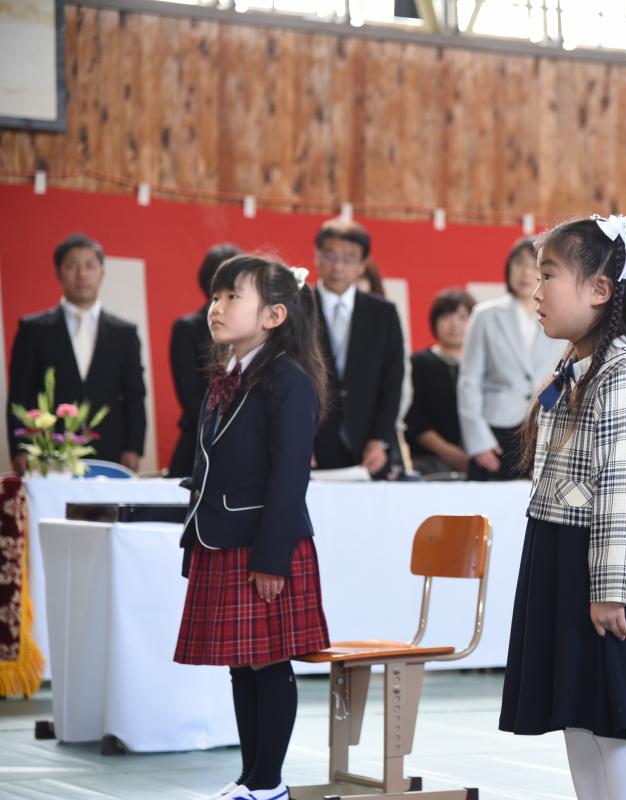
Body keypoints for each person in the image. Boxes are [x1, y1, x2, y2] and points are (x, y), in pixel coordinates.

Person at [499, 215, 626, 800]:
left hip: (610, 568)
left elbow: (623, 489)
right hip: (565, 552)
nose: (536, 291)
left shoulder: (622, 372)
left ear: (600, 290)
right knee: (578, 715)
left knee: (614, 723)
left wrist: (611, 589)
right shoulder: (577, 363)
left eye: (549, 276)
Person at [174, 255, 331, 800]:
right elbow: (207, 467)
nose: (216, 308)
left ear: (273, 315)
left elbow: (289, 478)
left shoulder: (287, 380)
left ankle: (269, 782)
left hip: (265, 544)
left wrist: (272, 558)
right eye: (214, 297)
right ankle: (250, 776)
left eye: (231, 297)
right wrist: (193, 539)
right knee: (240, 664)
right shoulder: (228, 376)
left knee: (267, 660)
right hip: (223, 538)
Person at [7, 233, 147, 472]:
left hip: (110, 450)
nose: (82, 274)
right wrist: (20, 448)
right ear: (58, 273)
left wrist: (133, 447)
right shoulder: (33, 329)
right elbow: (20, 393)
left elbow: (134, 394)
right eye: (72, 265)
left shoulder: (124, 332)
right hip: (48, 451)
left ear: (102, 273)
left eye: (90, 266)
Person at [458, 238, 562, 480]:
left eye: (534, 266)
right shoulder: (485, 315)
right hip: (495, 432)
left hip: (543, 428)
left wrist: (551, 432)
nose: (525, 272)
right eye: (519, 263)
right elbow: (469, 381)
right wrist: (478, 441)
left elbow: (563, 375)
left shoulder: (559, 316)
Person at [310, 218, 406, 478]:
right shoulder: (296, 307)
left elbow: (393, 381)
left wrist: (381, 439)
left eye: (349, 258)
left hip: (368, 447)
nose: (338, 266)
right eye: (329, 255)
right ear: (316, 257)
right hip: (311, 445)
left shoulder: (383, 313)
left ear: (363, 264)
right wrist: (294, 438)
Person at [168, 243, 242, 478]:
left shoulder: (256, 329)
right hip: (198, 445)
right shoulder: (187, 328)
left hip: (248, 448)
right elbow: (190, 397)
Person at [405, 289, 474, 475]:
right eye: (446, 317)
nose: (454, 324)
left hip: (481, 460)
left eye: (462, 317)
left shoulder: (483, 365)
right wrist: (449, 453)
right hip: (429, 462)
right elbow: (413, 418)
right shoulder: (418, 363)